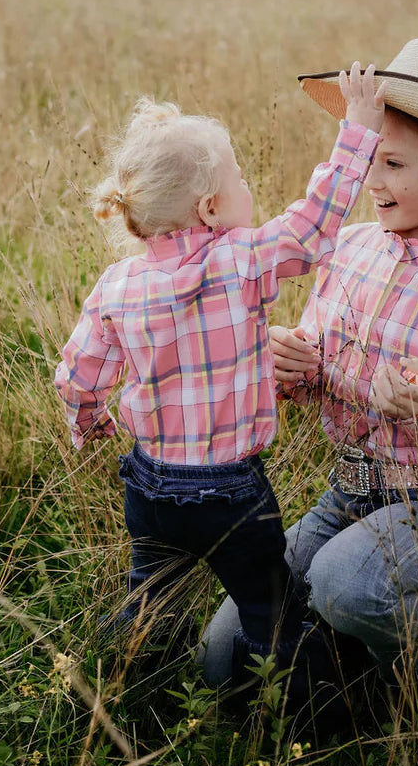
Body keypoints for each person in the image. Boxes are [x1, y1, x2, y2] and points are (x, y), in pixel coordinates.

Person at [200, 37, 418, 704]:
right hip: (348, 496)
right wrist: (294, 362)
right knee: (224, 656)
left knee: (345, 582)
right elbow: (315, 366)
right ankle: (348, 663)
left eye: (393, 163)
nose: (373, 181)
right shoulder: (349, 246)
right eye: (371, 159)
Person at [54, 64, 385, 687]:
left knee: (150, 603)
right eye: (240, 179)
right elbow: (313, 228)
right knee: (272, 612)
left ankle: (125, 695)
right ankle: (305, 714)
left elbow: (78, 373)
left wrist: (90, 421)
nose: (248, 187)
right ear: (210, 208)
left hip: (149, 487)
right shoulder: (238, 260)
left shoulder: (118, 284)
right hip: (231, 494)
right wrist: (357, 130)